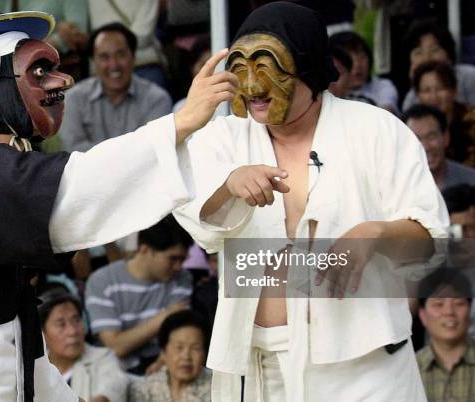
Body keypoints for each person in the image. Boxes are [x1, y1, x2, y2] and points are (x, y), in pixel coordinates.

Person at [0, 9, 238, 402]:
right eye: (39, 72)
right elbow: (79, 186)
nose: (62, 82)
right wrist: (179, 124)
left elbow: (15, 336)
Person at [173, 2, 448, 401]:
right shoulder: (224, 138)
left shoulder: (376, 130)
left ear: (308, 70)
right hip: (265, 365)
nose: (252, 88)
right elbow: (195, 215)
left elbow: (431, 239)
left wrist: (374, 234)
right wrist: (230, 184)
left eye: (266, 68)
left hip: (366, 367)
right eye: (241, 69)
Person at [85, 215, 193, 375]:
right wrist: (166, 316)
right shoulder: (102, 281)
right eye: (173, 259)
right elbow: (115, 348)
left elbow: (176, 336)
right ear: (144, 250)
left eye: (182, 260)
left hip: (164, 367)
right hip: (114, 372)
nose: (178, 266)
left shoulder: (181, 278)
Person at [59, 22, 172, 153]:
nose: (113, 65)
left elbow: (153, 149)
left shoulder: (157, 100)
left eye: (120, 55)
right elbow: (73, 150)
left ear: (134, 57)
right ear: (93, 62)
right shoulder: (74, 98)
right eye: (104, 57)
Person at [38, 287, 129, 402]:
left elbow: (114, 386)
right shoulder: (34, 367)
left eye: (76, 320)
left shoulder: (103, 358)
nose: (72, 331)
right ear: (42, 333)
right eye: (61, 324)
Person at [416, 268, 475, 402]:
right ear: (423, 315)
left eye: (458, 303)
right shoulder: (410, 369)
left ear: (470, 310)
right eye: (438, 304)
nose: (449, 312)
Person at [129, 310, 212, 402]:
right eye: (179, 348)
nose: (186, 357)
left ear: (204, 353)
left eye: (195, 348)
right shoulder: (144, 390)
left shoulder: (217, 390)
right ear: (163, 352)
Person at [402, 19, 475, 112]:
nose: (427, 58)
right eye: (418, 52)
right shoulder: (411, 98)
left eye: (435, 50)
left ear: (449, 55)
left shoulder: (469, 77)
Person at [412, 60, 475, 166]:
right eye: (427, 90)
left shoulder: (471, 120)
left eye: (440, 88)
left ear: (454, 91)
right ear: (418, 96)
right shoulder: (411, 124)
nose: (434, 96)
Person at [404, 104, 475, 190]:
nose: (425, 147)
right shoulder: (391, 187)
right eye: (416, 139)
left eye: (431, 137)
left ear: (446, 137)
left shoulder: (471, 181)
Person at [329, 31, 399, 112]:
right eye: (350, 60)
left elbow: (386, 112)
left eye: (361, 57)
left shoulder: (383, 86)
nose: (358, 65)